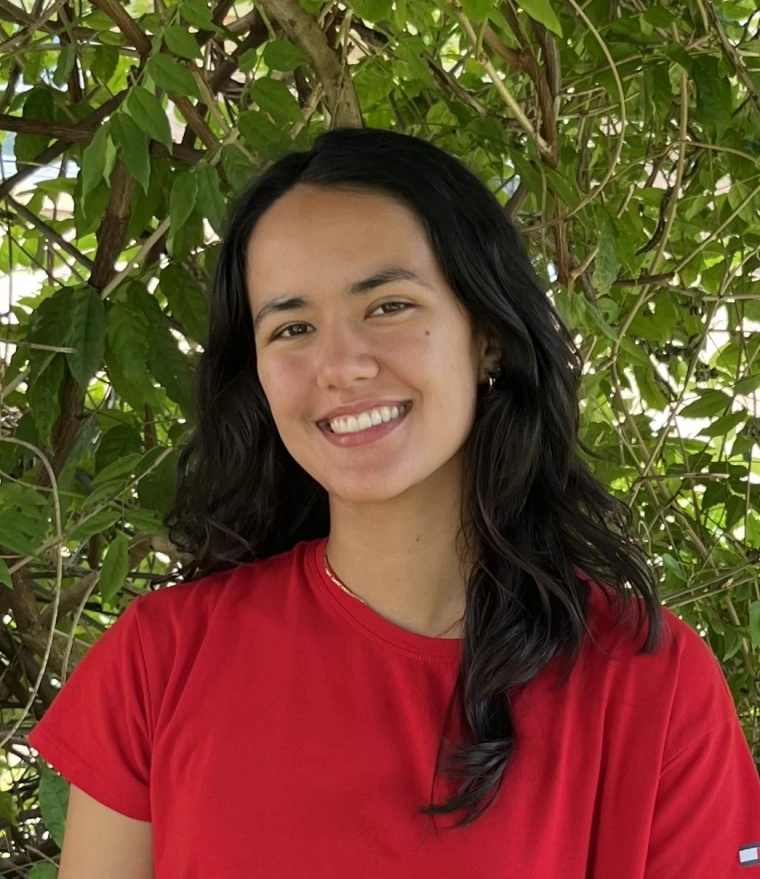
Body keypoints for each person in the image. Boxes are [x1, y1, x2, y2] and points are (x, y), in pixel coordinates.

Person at [27, 127, 760, 879]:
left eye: (387, 306)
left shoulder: (650, 684)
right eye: (293, 327)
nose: (341, 365)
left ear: (489, 337)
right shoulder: (158, 663)